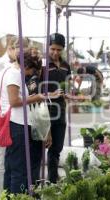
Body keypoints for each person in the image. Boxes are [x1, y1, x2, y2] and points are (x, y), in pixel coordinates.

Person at [0, 50, 55, 194]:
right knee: (19, 169)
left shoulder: (8, 71)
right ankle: (16, 196)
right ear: (26, 65)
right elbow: (14, 101)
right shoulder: (15, 74)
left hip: (16, 124)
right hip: (18, 126)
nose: (30, 74)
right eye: (31, 70)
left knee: (12, 167)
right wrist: (38, 97)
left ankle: (9, 195)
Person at [0, 36, 29, 196]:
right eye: (20, 48)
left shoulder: (19, 65)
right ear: (11, 48)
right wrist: (0, 95)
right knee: (3, 160)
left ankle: (5, 193)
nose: (22, 52)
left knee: (9, 160)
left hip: (10, 116)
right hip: (3, 117)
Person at [43, 33, 71, 183]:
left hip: (60, 111)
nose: (55, 52)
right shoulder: (42, 64)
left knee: (56, 148)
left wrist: (68, 94)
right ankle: (35, 182)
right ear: (48, 47)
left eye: (59, 49)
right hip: (44, 111)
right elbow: (35, 91)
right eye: (53, 49)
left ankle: (52, 180)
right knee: (40, 147)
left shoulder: (66, 65)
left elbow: (67, 84)